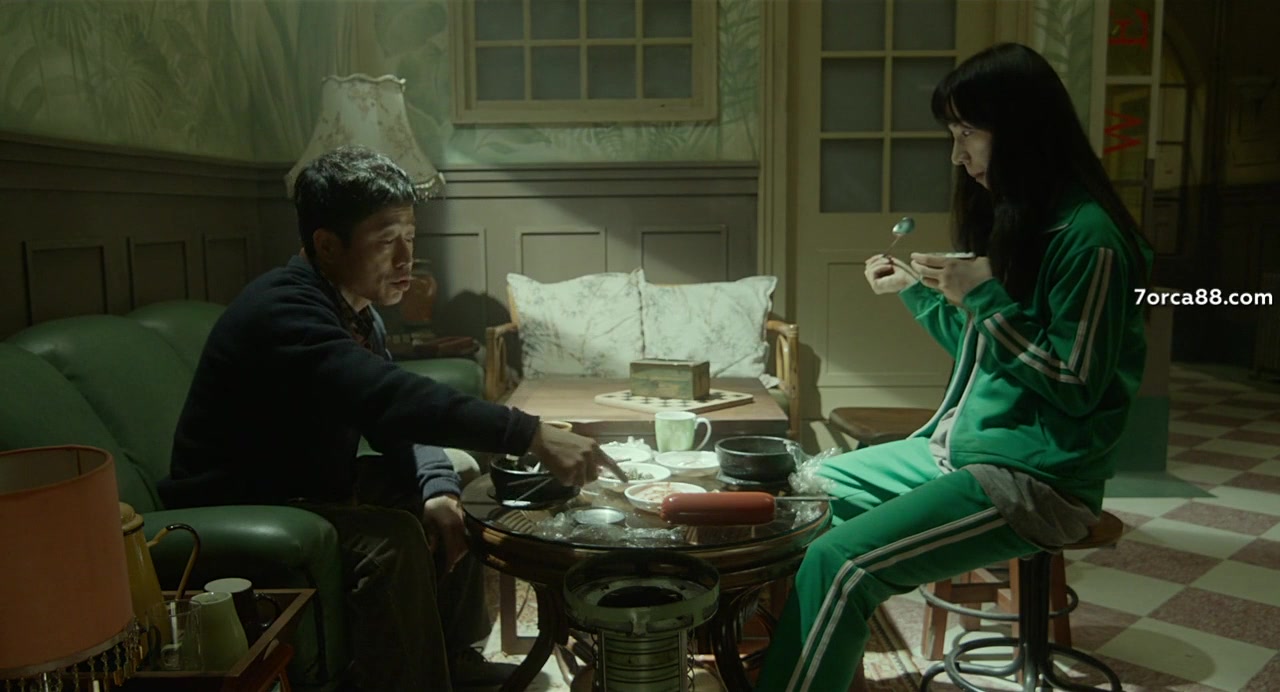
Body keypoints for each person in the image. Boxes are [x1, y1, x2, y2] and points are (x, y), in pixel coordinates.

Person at [755, 43, 1152, 691]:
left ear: (1022, 130)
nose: (956, 154)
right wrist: (917, 293)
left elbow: (1075, 386)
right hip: (965, 450)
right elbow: (993, 351)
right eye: (953, 134)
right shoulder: (1028, 220)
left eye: (968, 133)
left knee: (841, 564)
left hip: (1037, 480)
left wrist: (984, 297)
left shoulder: (1091, 240)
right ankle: (814, 667)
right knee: (802, 489)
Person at [159, 145, 624, 691]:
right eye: (386, 242)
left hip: (304, 484)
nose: (407, 259)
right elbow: (386, 397)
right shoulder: (282, 312)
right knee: (392, 538)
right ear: (327, 245)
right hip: (240, 507)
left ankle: (455, 660)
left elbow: (395, 425)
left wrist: (438, 491)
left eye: (410, 237)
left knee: (459, 480)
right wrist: (529, 433)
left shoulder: (356, 311)